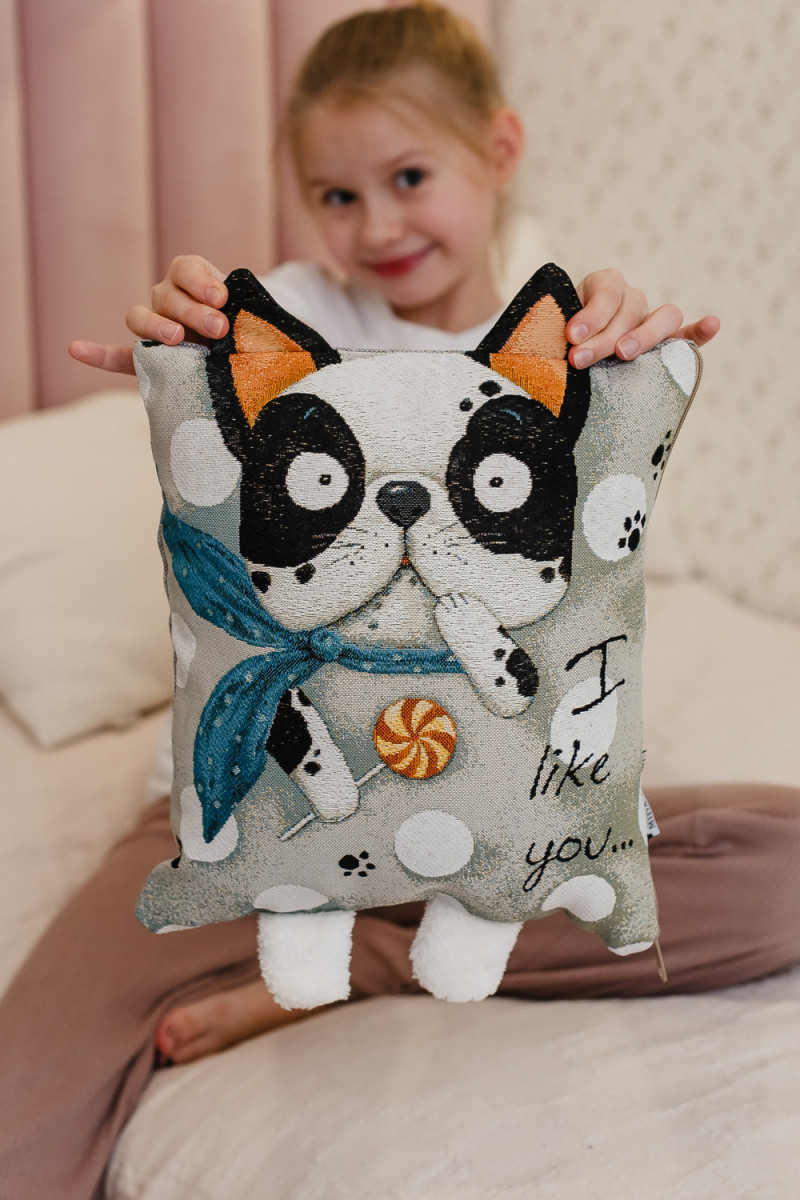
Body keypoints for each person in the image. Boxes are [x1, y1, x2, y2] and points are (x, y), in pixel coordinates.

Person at [2, 6, 797, 1200]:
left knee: (780, 866)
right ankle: (341, 926)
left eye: (408, 177)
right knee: (23, 1093)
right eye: (335, 195)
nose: (375, 226)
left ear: (499, 150)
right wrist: (185, 349)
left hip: (499, 807)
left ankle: (374, 956)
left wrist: (622, 356)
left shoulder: (563, 348)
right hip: (261, 804)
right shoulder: (289, 326)